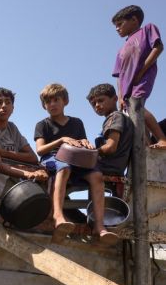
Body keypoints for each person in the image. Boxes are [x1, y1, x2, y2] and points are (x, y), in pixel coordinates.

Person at [34, 83, 116, 245]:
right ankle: (58, 216)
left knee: (97, 175)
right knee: (64, 168)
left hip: (76, 158)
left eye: (56, 100)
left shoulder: (77, 123)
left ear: (65, 101)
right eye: (48, 102)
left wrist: (85, 143)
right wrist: (61, 140)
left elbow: (82, 141)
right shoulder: (42, 125)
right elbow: (40, 150)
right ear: (44, 106)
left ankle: (99, 226)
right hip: (53, 157)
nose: (52, 104)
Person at [0, 88, 45, 198]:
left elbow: (32, 157)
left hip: (14, 181)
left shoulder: (12, 128)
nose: (4, 106)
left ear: (12, 108)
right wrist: (28, 173)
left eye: (8, 102)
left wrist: (2, 153)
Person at [87, 84, 134, 176]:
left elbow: (110, 147)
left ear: (115, 99)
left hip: (107, 167)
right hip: (111, 167)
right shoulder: (118, 117)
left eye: (101, 100)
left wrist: (89, 153)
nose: (97, 105)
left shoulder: (115, 116)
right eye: (93, 104)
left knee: (67, 167)